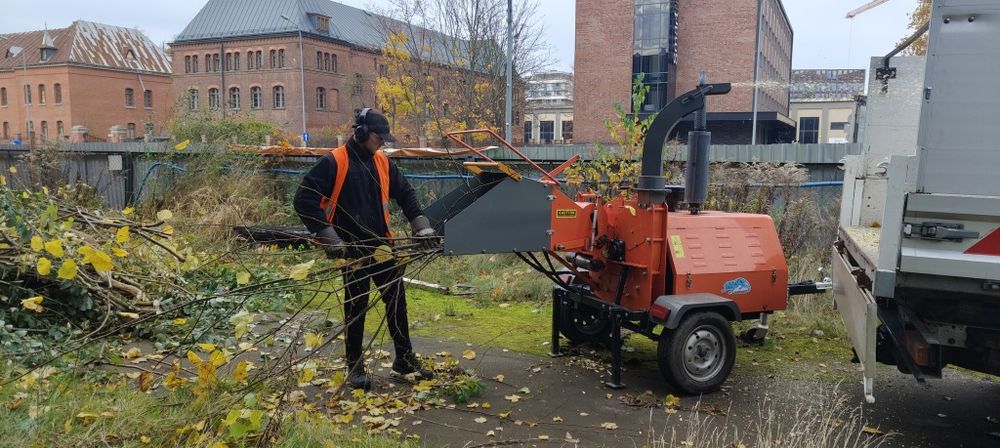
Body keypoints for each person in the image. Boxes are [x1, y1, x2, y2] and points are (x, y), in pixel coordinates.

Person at [294, 108, 437, 390]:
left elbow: (406, 193)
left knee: (397, 301)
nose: (382, 142)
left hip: (383, 245)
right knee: (356, 306)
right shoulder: (334, 162)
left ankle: (404, 359)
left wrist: (421, 225)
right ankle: (354, 366)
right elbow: (304, 199)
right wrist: (329, 237)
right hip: (352, 248)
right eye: (377, 137)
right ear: (360, 133)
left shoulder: (383, 163)